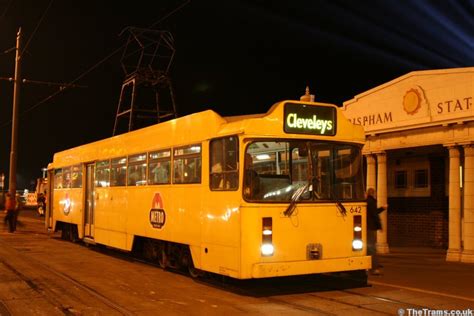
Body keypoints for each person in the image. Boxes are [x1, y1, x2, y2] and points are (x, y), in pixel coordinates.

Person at [366, 188, 386, 275]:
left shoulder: (366, 201)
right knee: (372, 248)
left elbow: (374, 212)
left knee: (368, 247)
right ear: (373, 193)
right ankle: (374, 268)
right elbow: (375, 214)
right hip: (371, 228)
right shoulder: (371, 201)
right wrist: (380, 226)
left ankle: (369, 266)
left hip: (367, 227)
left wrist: (382, 208)